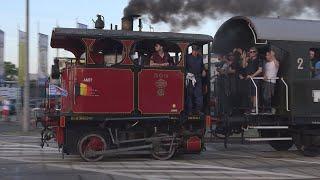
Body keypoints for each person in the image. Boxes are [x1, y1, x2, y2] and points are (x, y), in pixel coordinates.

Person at [185, 45, 206, 114]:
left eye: (196, 51)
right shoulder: (187, 57)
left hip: (198, 77)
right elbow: (184, 67)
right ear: (192, 50)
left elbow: (202, 66)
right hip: (190, 78)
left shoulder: (200, 57)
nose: (195, 52)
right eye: (194, 51)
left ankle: (198, 110)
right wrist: (188, 73)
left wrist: (203, 70)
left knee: (199, 94)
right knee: (189, 94)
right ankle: (189, 110)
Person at [246, 47, 263, 113]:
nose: (252, 53)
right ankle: (252, 107)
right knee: (251, 95)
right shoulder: (249, 60)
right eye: (251, 52)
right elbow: (244, 66)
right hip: (250, 79)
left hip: (256, 79)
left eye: (254, 51)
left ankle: (255, 108)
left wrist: (252, 76)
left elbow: (260, 70)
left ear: (256, 52)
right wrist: (245, 58)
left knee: (255, 94)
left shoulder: (259, 60)